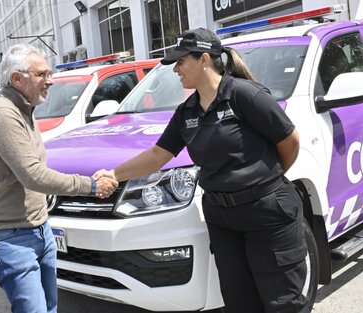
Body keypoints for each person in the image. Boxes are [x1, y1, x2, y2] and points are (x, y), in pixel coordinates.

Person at [95, 28, 308, 313]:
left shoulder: (244, 95)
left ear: (204, 59)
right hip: (223, 218)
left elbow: (290, 141)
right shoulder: (187, 111)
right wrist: (113, 174)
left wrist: (264, 180)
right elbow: (158, 155)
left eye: (181, 61)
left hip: (266, 212)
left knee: (283, 303)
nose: (176, 69)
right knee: (240, 302)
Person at [0, 43, 118, 313]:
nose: (50, 81)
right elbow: (33, 175)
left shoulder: (24, 109)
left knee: (48, 308)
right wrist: (92, 185)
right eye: (42, 74)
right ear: (16, 78)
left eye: (49, 73)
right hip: (6, 235)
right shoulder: (3, 114)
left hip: (37, 228)